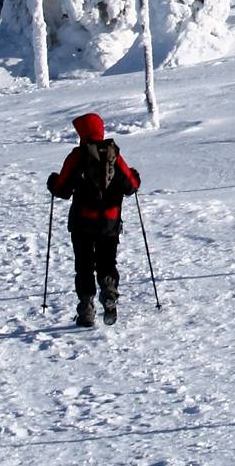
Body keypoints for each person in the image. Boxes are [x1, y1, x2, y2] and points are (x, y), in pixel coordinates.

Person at [49, 111, 141, 326]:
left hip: (82, 223)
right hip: (109, 223)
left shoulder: (77, 156)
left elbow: (61, 189)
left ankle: (86, 309)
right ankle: (109, 292)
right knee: (107, 262)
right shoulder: (114, 155)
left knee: (84, 265)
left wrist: (52, 182)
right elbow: (131, 186)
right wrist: (135, 176)